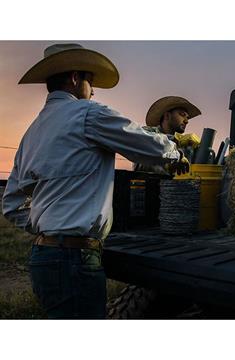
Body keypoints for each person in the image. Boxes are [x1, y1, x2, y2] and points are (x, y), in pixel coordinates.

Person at [1, 43, 189, 319]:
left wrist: (49, 227)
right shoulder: (88, 114)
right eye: (91, 80)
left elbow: (11, 204)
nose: (94, 89)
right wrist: (175, 153)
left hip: (43, 257)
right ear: (75, 78)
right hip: (74, 260)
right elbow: (143, 142)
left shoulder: (32, 132)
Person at [134, 96, 201, 174]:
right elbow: (145, 140)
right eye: (182, 115)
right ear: (167, 116)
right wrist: (176, 139)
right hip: (146, 184)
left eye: (187, 118)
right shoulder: (146, 132)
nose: (186, 121)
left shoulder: (186, 145)